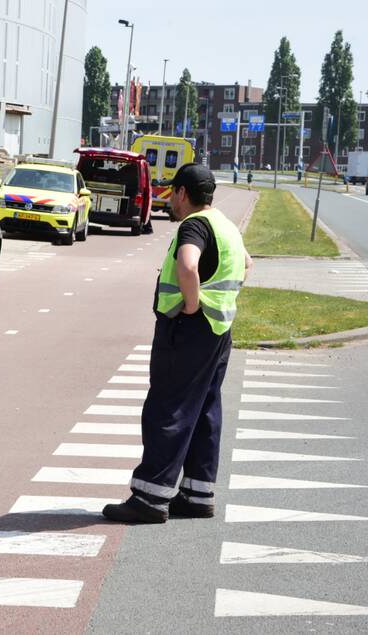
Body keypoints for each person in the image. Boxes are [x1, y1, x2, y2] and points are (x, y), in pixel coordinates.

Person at [103, 164, 252, 523]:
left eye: (173, 192)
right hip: (218, 331)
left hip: (189, 330)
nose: (169, 198)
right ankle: (197, 494)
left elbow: (188, 266)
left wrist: (191, 304)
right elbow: (247, 264)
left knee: (169, 408)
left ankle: (150, 499)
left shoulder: (195, 225)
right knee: (204, 411)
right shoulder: (226, 224)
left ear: (183, 193)